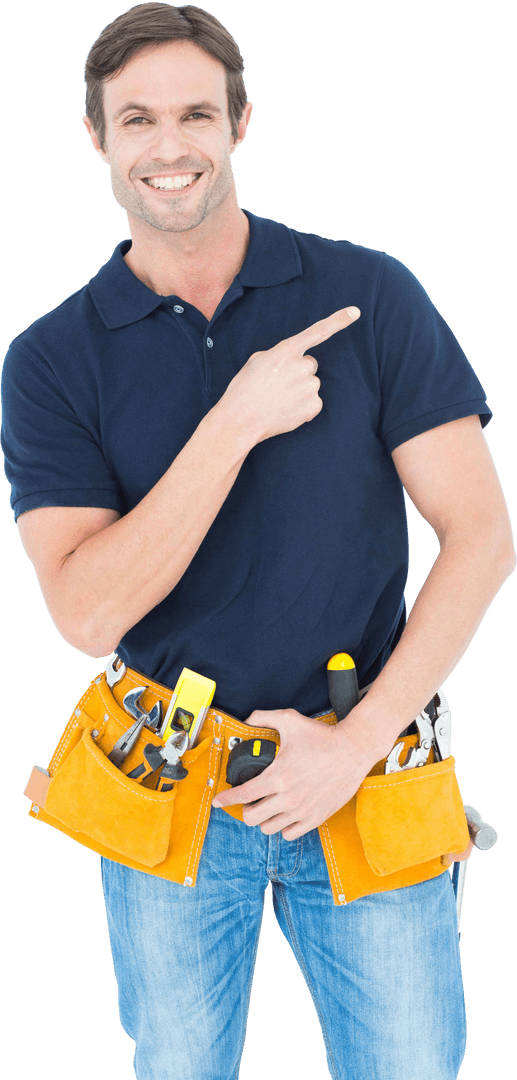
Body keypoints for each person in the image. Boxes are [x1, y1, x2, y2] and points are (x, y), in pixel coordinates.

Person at [1, 5, 514, 1079]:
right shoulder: (51, 359)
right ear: (97, 139)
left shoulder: (367, 295)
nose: (169, 144)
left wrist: (354, 743)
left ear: (239, 123)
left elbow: (480, 540)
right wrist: (234, 422)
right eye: (135, 118)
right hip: (166, 785)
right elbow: (86, 613)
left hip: (366, 770)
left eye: (196, 112)